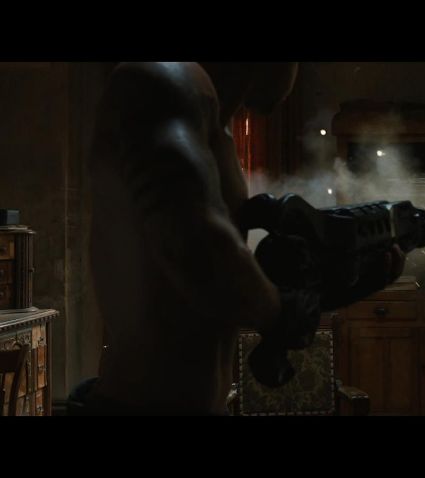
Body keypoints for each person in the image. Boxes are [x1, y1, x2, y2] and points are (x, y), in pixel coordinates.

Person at [72, 62, 404, 415]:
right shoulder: (161, 80)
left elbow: (207, 294)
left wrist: (321, 289)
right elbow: (194, 245)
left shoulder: (212, 121)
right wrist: (283, 311)